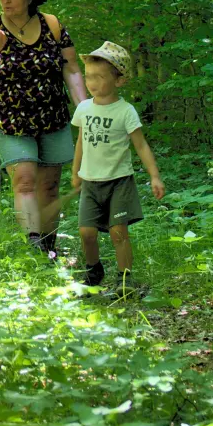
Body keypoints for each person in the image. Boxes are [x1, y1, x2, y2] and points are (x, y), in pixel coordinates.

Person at [0, 0, 87, 258]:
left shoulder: (52, 26)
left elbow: (71, 70)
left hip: (52, 117)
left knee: (49, 186)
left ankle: (49, 246)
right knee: (25, 179)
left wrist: (85, 109)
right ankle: (33, 246)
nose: (6, 0)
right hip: (8, 121)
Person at [71, 41, 166, 294]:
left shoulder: (125, 111)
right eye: (89, 76)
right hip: (91, 182)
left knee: (118, 232)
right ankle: (93, 270)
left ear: (119, 81)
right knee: (86, 231)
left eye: (100, 77)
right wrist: (75, 172)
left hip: (119, 181)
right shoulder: (84, 108)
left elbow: (141, 145)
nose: (92, 82)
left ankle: (125, 279)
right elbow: (81, 142)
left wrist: (154, 176)